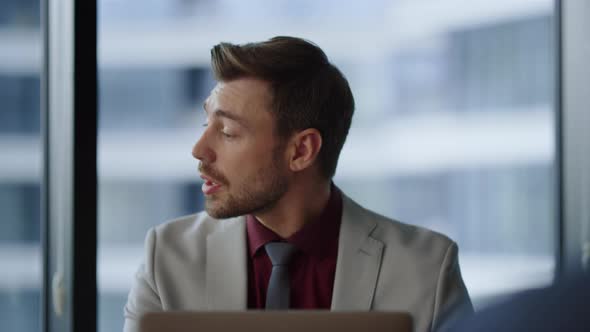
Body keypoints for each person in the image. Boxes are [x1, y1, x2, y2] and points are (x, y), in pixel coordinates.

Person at [123, 36, 473, 332]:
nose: (199, 150)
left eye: (228, 132)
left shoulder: (427, 268)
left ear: (302, 150)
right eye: (206, 125)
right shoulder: (166, 256)